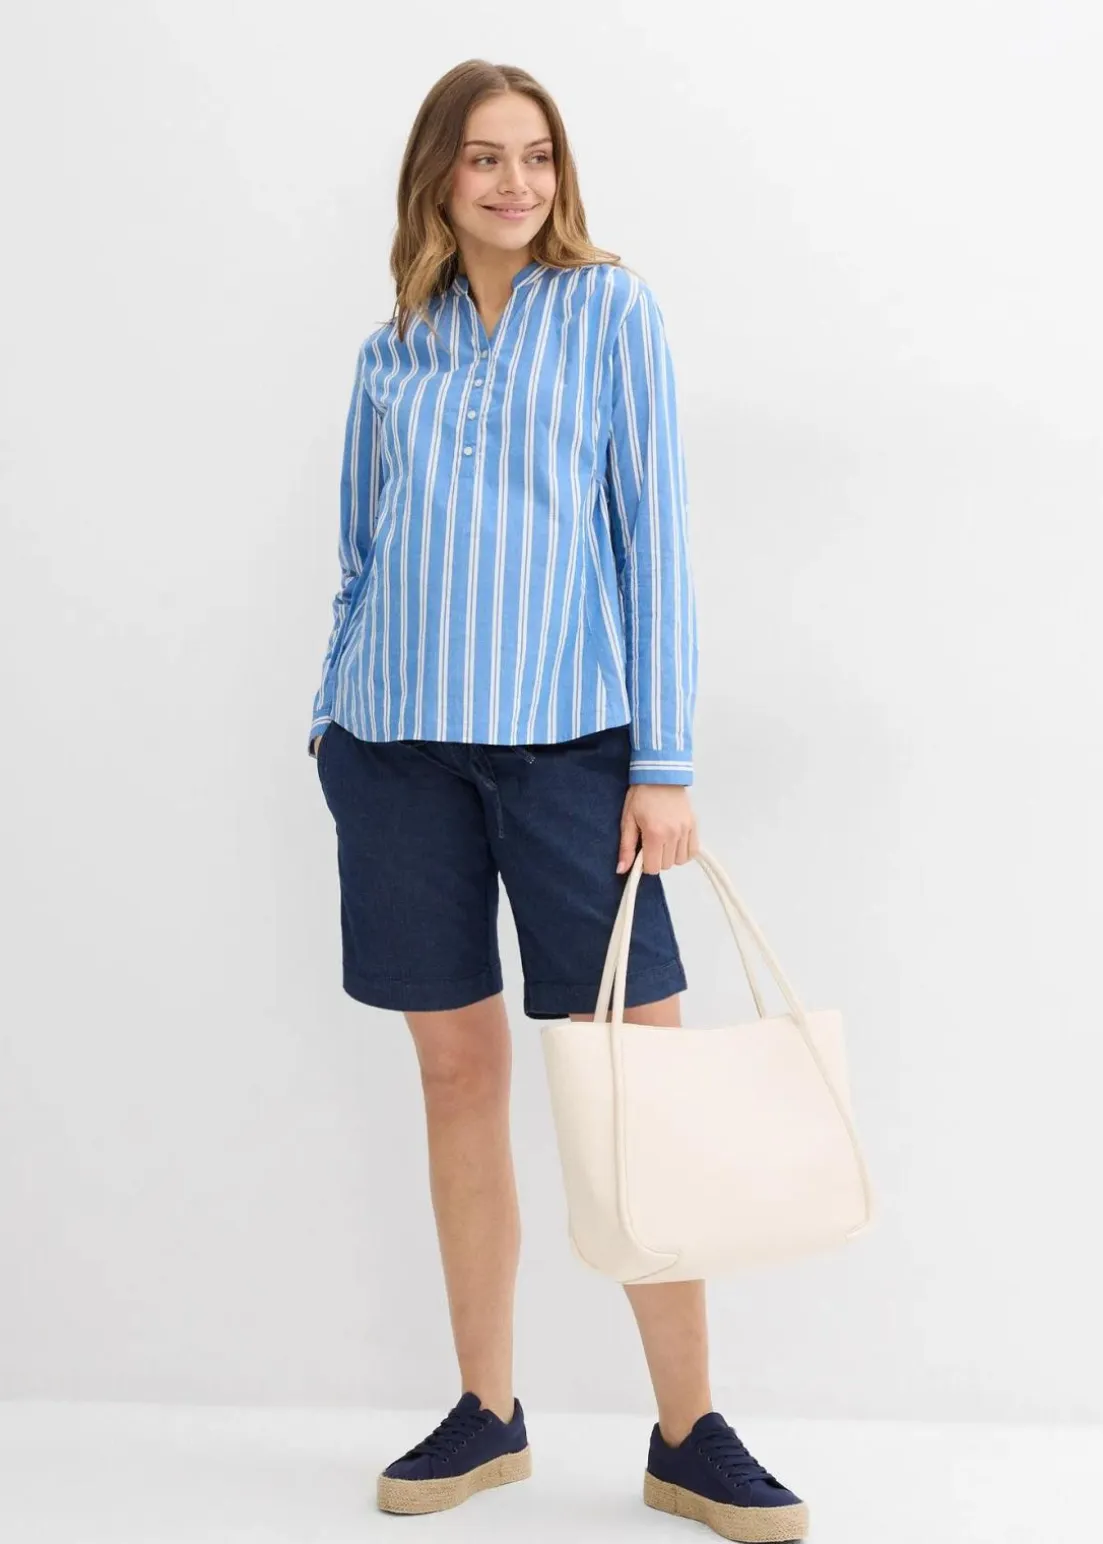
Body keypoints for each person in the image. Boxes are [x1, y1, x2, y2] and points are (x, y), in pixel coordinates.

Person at [308, 57, 807, 1544]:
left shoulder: (611, 313)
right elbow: (360, 552)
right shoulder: (391, 348)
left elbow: (654, 538)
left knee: (634, 1091)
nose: (514, 181)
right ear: (438, 177)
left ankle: (690, 1434)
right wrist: (331, 719)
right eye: (484, 157)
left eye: (534, 155)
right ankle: (489, 1410)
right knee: (457, 1080)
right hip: (395, 754)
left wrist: (665, 763)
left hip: (574, 758)